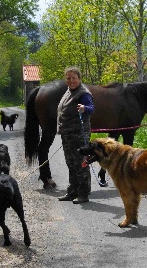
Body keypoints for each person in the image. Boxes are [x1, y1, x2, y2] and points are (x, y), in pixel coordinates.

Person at [57, 66, 94, 204]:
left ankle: (83, 194)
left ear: (79, 79)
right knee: (70, 163)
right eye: (68, 78)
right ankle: (72, 191)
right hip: (67, 134)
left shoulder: (83, 93)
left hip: (79, 134)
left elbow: (91, 108)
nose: (71, 81)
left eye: (74, 78)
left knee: (81, 163)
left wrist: (85, 108)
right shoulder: (68, 91)